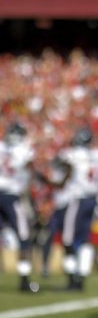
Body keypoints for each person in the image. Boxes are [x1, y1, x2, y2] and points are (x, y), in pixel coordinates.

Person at [54, 126, 98, 291]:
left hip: (78, 199)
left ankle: (72, 279)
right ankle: (82, 275)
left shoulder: (73, 154)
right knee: (84, 240)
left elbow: (59, 162)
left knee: (68, 239)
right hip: (93, 199)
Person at [0, 122, 39, 292]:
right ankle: (24, 280)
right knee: (24, 237)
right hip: (12, 197)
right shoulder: (24, 149)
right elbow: (30, 170)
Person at [40, 156, 71, 278]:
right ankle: (45, 266)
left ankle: (70, 268)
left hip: (67, 209)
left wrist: (46, 181)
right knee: (48, 237)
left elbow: (60, 185)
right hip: (56, 209)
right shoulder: (55, 173)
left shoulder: (70, 175)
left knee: (68, 240)